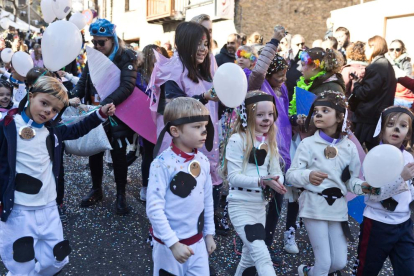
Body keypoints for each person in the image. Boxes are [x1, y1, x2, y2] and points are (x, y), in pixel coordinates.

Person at [0, 76, 115, 275]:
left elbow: (78, 129)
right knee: (21, 264)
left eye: (54, 109)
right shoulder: (8, 125)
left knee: (57, 258)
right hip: (18, 209)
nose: (48, 112)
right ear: (31, 95)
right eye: (44, 103)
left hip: (48, 208)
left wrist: (101, 115)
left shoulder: (52, 130)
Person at [148, 21, 222, 234]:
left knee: (201, 190)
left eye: (206, 43)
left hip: (202, 144)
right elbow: (173, 107)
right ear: (185, 43)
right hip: (177, 149)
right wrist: (203, 97)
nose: (203, 49)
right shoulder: (173, 70)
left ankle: (197, 235)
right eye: (198, 43)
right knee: (175, 192)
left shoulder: (202, 69)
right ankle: (164, 237)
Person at [286, 91, 367, 276]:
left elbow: (351, 181)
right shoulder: (308, 144)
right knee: (324, 263)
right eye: (316, 111)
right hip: (313, 205)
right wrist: (308, 175)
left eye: (325, 110)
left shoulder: (349, 147)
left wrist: (363, 187)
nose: (318, 114)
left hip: (338, 208)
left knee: (339, 262)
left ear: (340, 117)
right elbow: (291, 175)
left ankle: (307, 272)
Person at [71, 18, 138, 215]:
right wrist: (73, 96)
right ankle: (96, 189)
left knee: (118, 155)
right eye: (94, 42)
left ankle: (120, 195)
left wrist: (105, 104)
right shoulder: (92, 56)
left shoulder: (127, 56)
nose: (97, 46)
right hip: (95, 112)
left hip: (117, 115)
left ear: (112, 39)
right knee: (94, 152)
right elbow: (83, 80)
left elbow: (127, 86)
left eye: (102, 42)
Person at [146, 97, 216, 276]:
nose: (203, 131)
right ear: (175, 131)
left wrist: (209, 233)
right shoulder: (161, 164)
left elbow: (207, 199)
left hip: (198, 244)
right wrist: (173, 244)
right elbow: (154, 209)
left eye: (204, 126)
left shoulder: (203, 161)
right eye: (197, 126)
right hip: (168, 249)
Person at [245, 26, 299, 256]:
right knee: (258, 199)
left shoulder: (282, 88)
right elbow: (258, 71)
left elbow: (284, 116)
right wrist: (274, 41)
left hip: (281, 150)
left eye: (286, 74)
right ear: (268, 74)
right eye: (279, 75)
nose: (284, 79)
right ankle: (253, 244)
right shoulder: (257, 84)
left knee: (278, 199)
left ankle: (267, 243)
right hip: (261, 150)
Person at [223, 91, 286, 275]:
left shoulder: (270, 141)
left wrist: (277, 182)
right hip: (240, 206)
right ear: (248, 116)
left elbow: (276, 172)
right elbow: (233, 177)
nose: (266, 119)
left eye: (270, 114)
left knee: (249, 258)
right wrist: (262, 180)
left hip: (260, 207)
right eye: (260, 115)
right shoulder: (237, 139)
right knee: (262, 255)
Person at [354, 106, 414, 276]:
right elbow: (373, 195)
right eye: (391, 124)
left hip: (404, 224)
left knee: (408, 271)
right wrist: (400, 178)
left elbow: (409, 189)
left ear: (408, 133)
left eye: (403, 126)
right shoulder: (374, 156)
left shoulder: (409, 157)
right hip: (377, 224)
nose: (396, 129)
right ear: (381, 129)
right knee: (366, 270)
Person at [350, 35, 396, 150]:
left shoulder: (377, 66)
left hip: (368, 116)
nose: (364, 51)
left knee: (357, 149)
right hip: (375, 115)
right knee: (373, 148)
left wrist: (356, 84)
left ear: (373, 47)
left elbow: (365, 93)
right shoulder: (385, 64)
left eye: (366, 48)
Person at [286, 34, 306, 101]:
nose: (300, 47)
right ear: (292, 45)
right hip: (288, 95)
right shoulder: (287, 57)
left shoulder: (306, 59)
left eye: (302, 44)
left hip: (299, 96)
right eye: (298, 44)